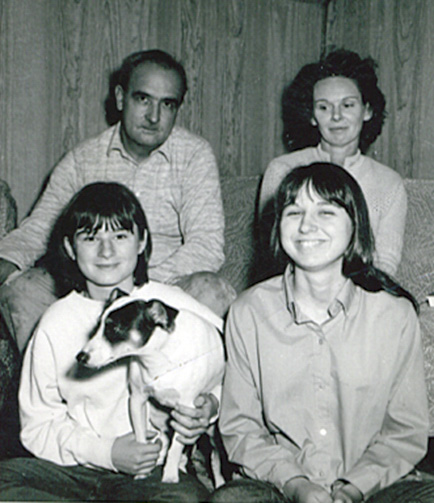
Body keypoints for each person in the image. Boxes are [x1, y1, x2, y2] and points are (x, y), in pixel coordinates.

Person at [211, 163, 433, 503]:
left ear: (354, 225)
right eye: (293, 211)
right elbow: (241, 428)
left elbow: (406, 431)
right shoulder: (248, 312)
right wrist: (297, 484)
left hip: (375, 487)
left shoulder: (395, 315)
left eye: (326, 211)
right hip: (277, 485)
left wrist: (354, 487)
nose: (306, 225)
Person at [0, 182, 224, 502]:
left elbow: (233, 363)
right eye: (91, 238)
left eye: (120, 236)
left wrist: (211, 406)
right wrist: (106, 451)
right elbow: (36, 425)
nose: (106, 251)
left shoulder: (173, 306)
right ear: (69, 248)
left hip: (151, 471)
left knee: (186, 499)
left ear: (142, 241)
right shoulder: (54, 323)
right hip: (73, 468)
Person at [0, 48, 232, 354]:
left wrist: (134, 291)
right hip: (88, 286)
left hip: (160, 290)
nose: (153, 116)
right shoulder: (84, 159)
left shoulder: (194, 155)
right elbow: (41, 228)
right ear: (121, 98)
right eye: (143, 99)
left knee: (213, 290)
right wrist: (6, 259)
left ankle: (165, 387)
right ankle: (64, 387)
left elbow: (206, 244)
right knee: (22, 288)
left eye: (167, 104)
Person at [259, 49, 406, 279]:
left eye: (347, 105)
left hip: (362, 296)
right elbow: (272, 254)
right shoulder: (282, 170)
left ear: (367, 111)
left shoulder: (388, 183)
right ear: (311, 116)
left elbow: (385, 264)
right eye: (324, 107)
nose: (336, 116)